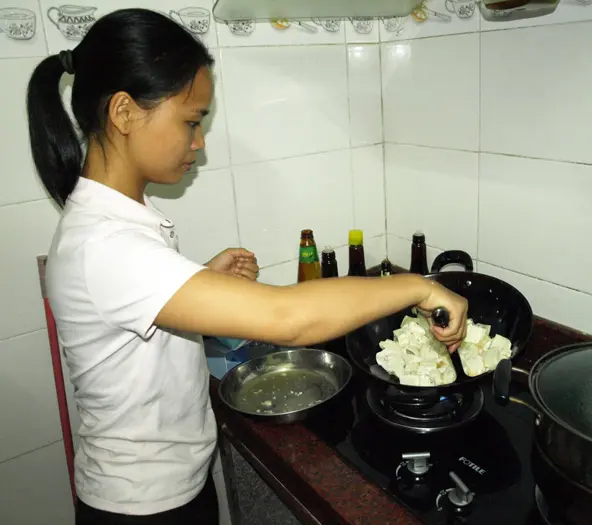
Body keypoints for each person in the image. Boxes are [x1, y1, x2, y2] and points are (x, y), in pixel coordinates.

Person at [26, 8, 469, 525]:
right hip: (141, 507)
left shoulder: (115, 225)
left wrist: (200, 281)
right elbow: (289, 318)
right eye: (191, 121)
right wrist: (418, 286)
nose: (199, 142)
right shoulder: (105, 244)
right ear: (124, 113)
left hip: (160, 490)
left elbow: (137, 314)